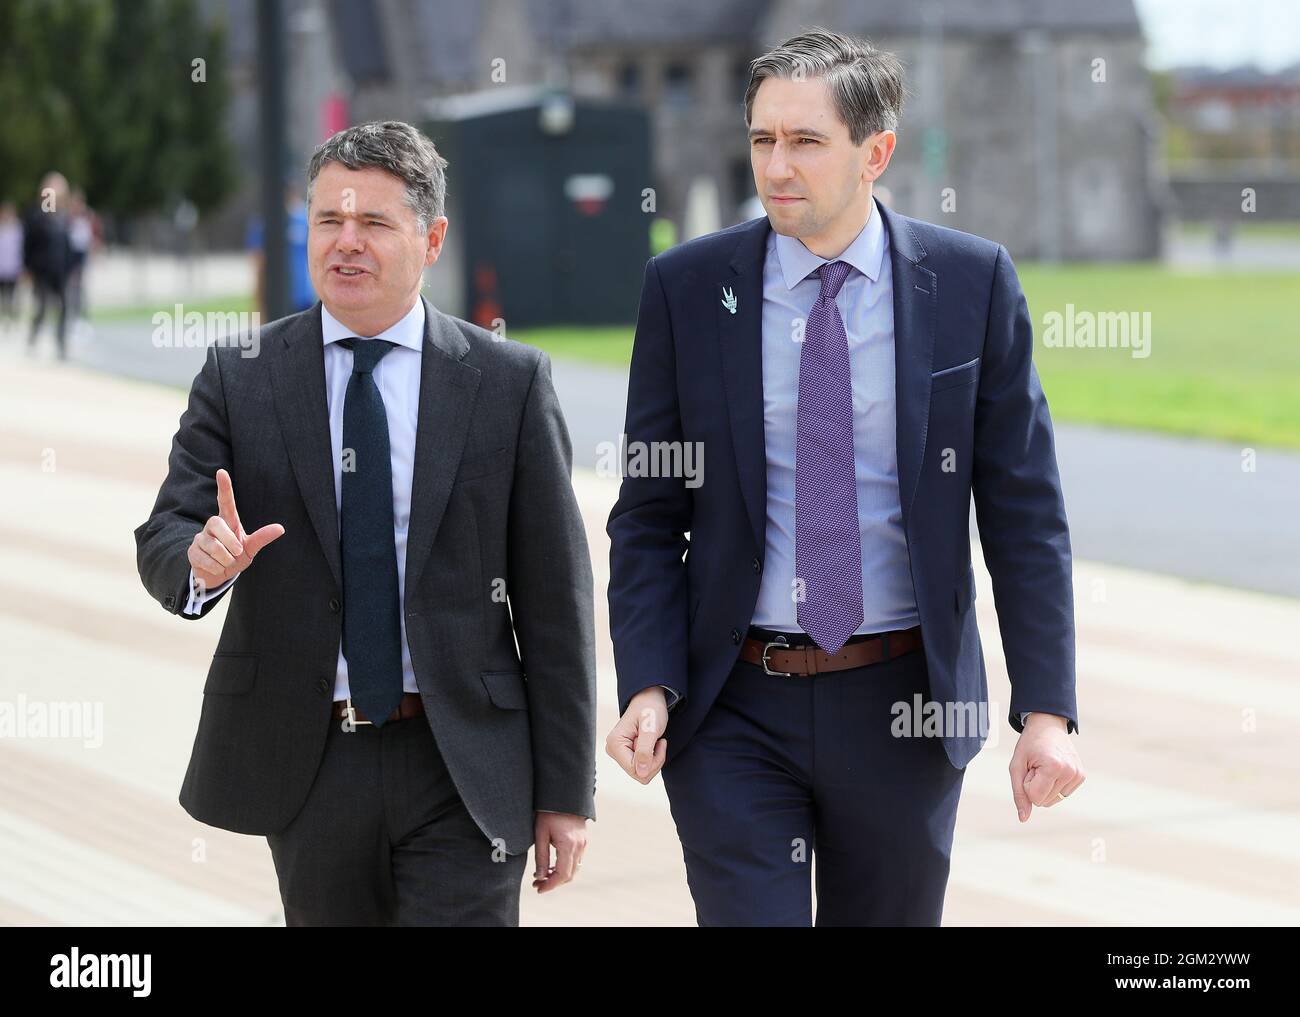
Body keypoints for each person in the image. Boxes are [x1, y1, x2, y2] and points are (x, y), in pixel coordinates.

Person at [605, 29, 1085, 926]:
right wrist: (647, 680)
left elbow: (1023, 512)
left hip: (905, 706)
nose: (776, 166)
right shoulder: (685, 287)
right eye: (762, 140)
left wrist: (1047, 708)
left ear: (877, 152)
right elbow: (647, 513)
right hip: (733, 703)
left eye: (805, 141)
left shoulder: (972, 283)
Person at [135, 120, 597, 926]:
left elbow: (556, 601)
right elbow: (167, 532)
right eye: (328, 221)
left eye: (374, 223)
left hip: (465, 762)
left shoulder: (507, 383)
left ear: (432, 238)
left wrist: (566, 791)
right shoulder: (240, 377)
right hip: (311, 762)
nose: (346, 244)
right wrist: (201, 565)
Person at [23, 172, 73, 359]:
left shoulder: (64, 218)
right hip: (42, 270)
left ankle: (61, 343)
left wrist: (69, 266)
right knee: (42, 307)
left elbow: (67, 245)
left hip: (59, 270)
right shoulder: (39, 216)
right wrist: (27, 267)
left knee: (64, 307)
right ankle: (33, 338)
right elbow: (30, 243)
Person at [247, 185, 316, 316]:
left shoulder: (304, 219)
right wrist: (258, 303)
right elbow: (258, 264)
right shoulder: (263, 224)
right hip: (275, 298)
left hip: (303, 299)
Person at [0, 202, 22, 327]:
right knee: (3, 295)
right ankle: (4, 315)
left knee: (12, 294)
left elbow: (19, 250)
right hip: (1, 268)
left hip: (13, 268)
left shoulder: (18, 229)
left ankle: (11, 317)